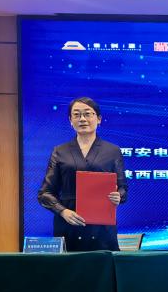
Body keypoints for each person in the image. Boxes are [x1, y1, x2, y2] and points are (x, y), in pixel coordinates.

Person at [37, 96, 127, 251]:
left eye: (87, 114)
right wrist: (63, 211)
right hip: (68, 225)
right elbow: (44, 193)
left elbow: (123, 187)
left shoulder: (113, 151)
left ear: (99, 119)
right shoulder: (59, 151)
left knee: (103, 265)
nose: (82, 119)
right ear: (70, 121)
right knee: (68, 266)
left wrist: (119, 196)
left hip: (102, 229)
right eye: (77, 115)